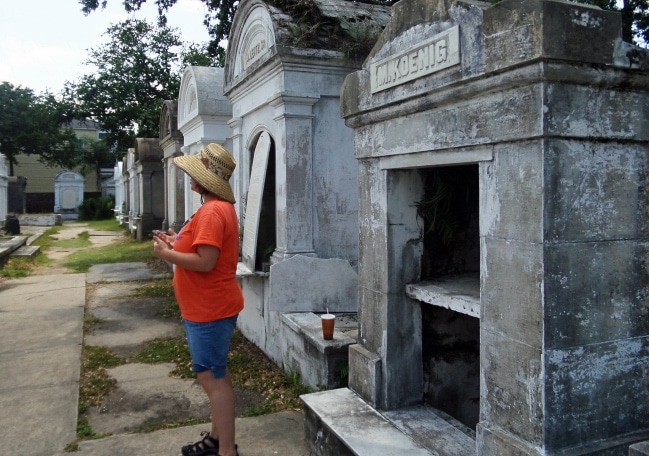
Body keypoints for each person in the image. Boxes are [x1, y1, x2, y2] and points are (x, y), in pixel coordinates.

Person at [153, 143, 243, 456]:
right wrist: (174, 243)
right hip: (207, 307)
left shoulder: (212, 211)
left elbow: (206, 261)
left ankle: (226, 451)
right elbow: (199, 250)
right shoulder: (214, 208)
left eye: (196, 171)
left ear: (206, 179)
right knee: (215, 373)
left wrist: (168, 254)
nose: (190, 176)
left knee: (212, 379)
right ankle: (218, 440)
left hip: (210, 309)